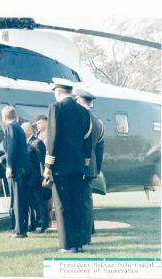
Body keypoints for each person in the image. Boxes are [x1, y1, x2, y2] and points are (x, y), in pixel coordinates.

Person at [43, 78, 92, 253]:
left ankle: (66, 245)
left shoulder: (55, 108)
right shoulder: (83, 112)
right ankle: (78, 244)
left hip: (61, 167)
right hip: (78, 167)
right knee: (76, 203)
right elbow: (88, 140)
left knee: (62, 205)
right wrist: (85, 163)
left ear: (57, 92)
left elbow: (53, 139)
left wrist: (48, 166)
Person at [75, 89, 104, 245]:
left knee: (81, 202)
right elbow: (100, 149)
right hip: (91, 167)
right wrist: (97, 169)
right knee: (86, 201)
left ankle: (84, 235)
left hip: (81, 165)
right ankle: (88, 232)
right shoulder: (98, 121)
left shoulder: (82, 119)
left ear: (79, 101)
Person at [0, 106, 30, 238]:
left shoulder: (10, 128)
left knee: (17, 201)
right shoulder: (19, 128)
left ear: (4, 117)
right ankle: (23, 229)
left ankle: (18, 231)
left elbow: (11, 149)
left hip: (17, 170)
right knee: (22, 200)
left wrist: (9, 167)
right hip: (24, 169)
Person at [21, 122, 46, 231]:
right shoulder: (25, 143)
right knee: (30, 202)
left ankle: (43, 224)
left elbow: (42, 162)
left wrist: (43, 177)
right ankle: (33, 223)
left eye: (23, 130)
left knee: (38, 201)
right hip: (27, 178)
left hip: (35, 178)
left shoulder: (37, 142)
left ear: (28, 130)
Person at [35, 114, 55, 230]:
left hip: (49, 169)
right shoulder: (37, 136)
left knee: (49, 198)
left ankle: (48, 223)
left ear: (46, 122)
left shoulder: (50, 135)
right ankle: (43, 221)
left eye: (39, 123)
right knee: (41, 197)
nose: (38, 126)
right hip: (39, 170)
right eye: (36, 124)